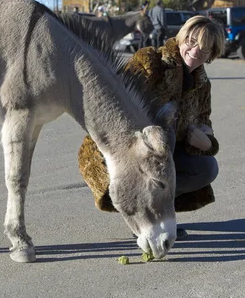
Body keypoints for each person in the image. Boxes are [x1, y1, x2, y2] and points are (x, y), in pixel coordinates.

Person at [78, 15, 226, 240]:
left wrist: (207, 143)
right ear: (181, 38)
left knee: (207, 168)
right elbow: (111, 103)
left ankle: (158, 211)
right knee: (164, 135)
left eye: (204, 49)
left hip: (163, 155)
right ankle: (143, 212)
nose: (195, 52)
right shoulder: (151, 61)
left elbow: (204, 123)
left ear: (212, 54)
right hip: (124, 150)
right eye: (191, 42)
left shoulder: (202, 85)